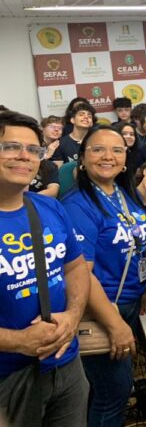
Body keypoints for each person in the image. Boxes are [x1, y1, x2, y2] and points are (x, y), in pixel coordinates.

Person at [61, 125, 146, 427]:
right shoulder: (78, 205)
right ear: (83, 158)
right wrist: (114, 325)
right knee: (111, 394)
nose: (108, 156)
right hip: (104, 309)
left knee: (114, 387)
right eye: (98, 149)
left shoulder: (122, 193)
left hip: (131, 301)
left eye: (117, 150)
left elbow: (136, 245)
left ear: (126, 159)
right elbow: (81, 275)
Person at [0, 110, 89, 426]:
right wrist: (18, 341)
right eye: (11, 147)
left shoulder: (49, 206)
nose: (24, 156)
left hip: (67, 364)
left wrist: (73, 316)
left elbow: (76, 268)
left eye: (33, 150)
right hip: (8, 378)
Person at [51, 103, 95, 167]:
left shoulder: (97, 142)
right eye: (81, 114)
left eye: (89, 116)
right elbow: (59, 172)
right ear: (72, 120)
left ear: (91, 123)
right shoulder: (60, 144)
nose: (86, 117)